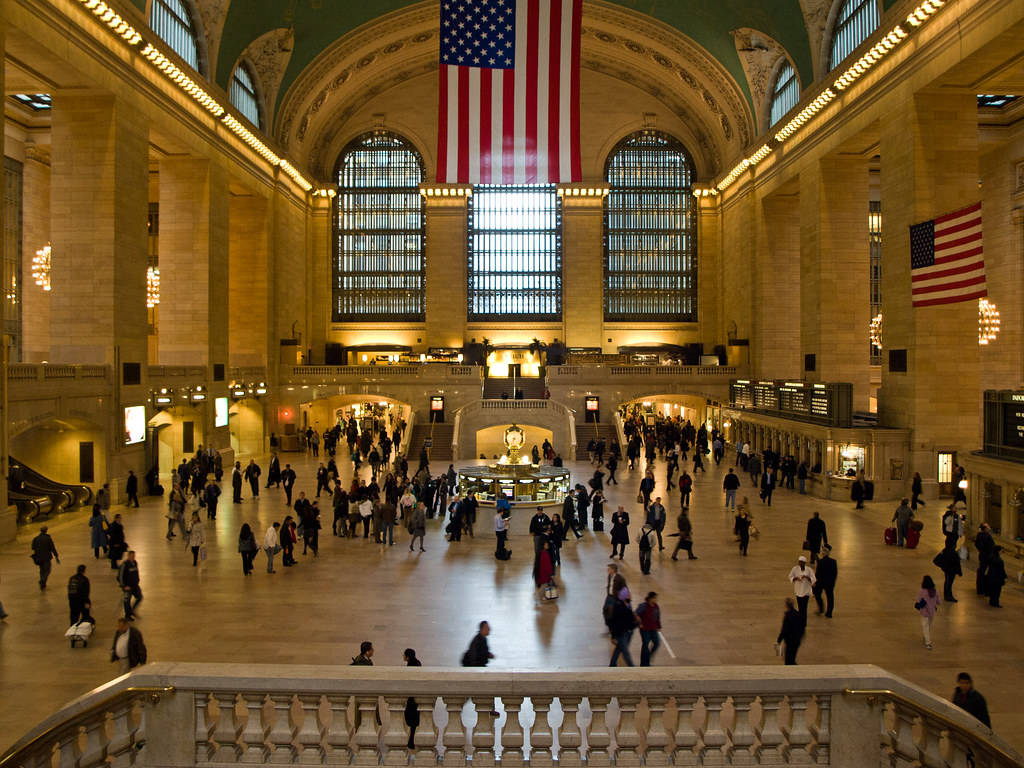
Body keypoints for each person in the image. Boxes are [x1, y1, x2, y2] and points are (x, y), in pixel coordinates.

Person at [608, 585, 637, 667]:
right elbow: (614, 622)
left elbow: (630, 619)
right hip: (621, 633)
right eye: (628, 594)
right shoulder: (619, 607)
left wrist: (635, 623)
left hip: (627, 632)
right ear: (625, 596)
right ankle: (633, 669)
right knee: (626, 653)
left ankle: (612, 664)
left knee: (619, 649)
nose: (630, 595)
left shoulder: (628, 604)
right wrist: (613, 636)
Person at [776, 598, 805, 665]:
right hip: (797, 640)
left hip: (790, 641)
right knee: (793, 656)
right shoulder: (799, 615)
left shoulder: (788, 616)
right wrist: (800, 636)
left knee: (788, 659)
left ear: (787, 606)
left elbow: (784, 630)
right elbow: (802, 627)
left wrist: (779, 640)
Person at [635, 592, 661, 666]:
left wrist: (659, 626)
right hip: (645, 629)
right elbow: (636, 613)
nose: (656, 599)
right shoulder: (643, 606)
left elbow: (657, 616)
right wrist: (639, 623)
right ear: (651, 598)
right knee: (645, 644)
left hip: (653, 629)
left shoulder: (656, 606)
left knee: (657, 643)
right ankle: (643, 663)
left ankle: (648, 658)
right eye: (655, 598)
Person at [915, 575, 941, 650]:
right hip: (932, 612)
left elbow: (917, 601)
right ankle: (926, 637)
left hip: (924, 612)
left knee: (925, 627)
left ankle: (928, 642)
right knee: (928, 626)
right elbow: (939, 602)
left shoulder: (922, 591)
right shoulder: (935, 591)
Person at [403, 649, 423, 748]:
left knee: (410, 719)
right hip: (416, 696)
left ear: (408, 657)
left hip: (412, 698)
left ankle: (411, 741)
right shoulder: (418, 663)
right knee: (414, 721)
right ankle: (411, 740)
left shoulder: (411, 666)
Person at [813, 545, 837, 618]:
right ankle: (829, 613)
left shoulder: (821, 562)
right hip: (829, 583)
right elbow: (835, 573)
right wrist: (833, 583)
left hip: (820, 583)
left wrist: (815, 583)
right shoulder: (833, 562)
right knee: (830, 598)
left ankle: (821, 608)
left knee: (817, 595)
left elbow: (817, 574)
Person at [117, 551, 142, 620]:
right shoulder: (124, 565)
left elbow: (136, 572)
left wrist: (137, 580)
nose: (133, 557)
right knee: (127, 601)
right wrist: (124, 586)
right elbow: (120, 577)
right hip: (127, 586)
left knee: (139, 597)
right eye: (131, 556)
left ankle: (132, 611)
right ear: (128, 556)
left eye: (134, 556)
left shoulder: (135, 563)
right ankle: (127, 616)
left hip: (135, 585)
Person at [974, 522, 995, 596]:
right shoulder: (986, 536)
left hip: (982, 555)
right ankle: (983, 589)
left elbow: (976, 544)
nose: (989, 527)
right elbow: (990, 546)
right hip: (987, 556)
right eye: (988, 526)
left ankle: (980, 588)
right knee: (984, 573)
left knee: (981, 571)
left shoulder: (979, 535)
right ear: (985, 528)